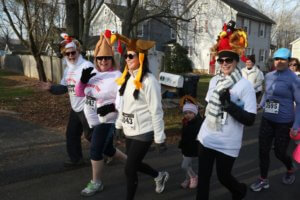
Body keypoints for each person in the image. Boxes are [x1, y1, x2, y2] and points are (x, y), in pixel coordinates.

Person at [197, 20, 257, 200]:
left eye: (228, 59)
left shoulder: (245, 86)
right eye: (220, 60)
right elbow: (208, 108)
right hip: (206, 138)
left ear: (236, 60)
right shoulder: (215, 81)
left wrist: (229, 106)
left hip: (227, 142)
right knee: (204, 179)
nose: (224, 63)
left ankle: (239, 190)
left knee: (224, 177)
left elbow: (250, 119)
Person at [113, 33, 169, 200]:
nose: (127, 59)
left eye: (131, 55)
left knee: (129, 169)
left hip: (144, 131)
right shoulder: (127, 79)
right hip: (130, 130)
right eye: (125, 56)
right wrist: (118, 125)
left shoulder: (149, 81)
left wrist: (160, 138)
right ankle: (159, 176)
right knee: (134, 165)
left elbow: (156, 111)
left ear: (141, 57)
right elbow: (124, 106)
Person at [74, 30, 127, 196]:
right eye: (100, 58)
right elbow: (80, 94)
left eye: (107, 58)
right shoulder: (93, 73)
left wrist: (111, 108)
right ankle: (132, 163)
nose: (103, 61)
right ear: (95, 59)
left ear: (112, 59)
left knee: (95, 151)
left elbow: (124, 101)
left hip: (107, 119)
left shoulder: (118, 76)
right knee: (109, 149)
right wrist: (82, 81)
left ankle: (96, 182)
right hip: (92, 119)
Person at [39, 33, 93, 167]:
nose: (70, 56)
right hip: (75, 107)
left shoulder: (87, 66)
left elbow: (98, 87)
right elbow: (64, 87)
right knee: (72, 134)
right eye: (67, 54)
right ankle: (76, 160)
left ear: (78, 51)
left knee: (90, 136)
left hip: (88, 107)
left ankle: (109, 153)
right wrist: (51, 88)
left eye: (72, 53)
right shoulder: (68, 69)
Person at [250, 48, 300, 191]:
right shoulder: (270, 75)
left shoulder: (294, 80)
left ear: (289, 61)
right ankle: (263, 179)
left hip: (284, 122)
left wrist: (296, 125)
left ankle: (290, 168)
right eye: (276, 59)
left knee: (279, 152)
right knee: (263, 150)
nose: (278, 61)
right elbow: (267, 93)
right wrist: (261, 104)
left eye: (282, 59)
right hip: (267, 118)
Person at [178, 95, 203, 189]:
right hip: (185, 146)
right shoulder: (186, 121)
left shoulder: (198, 123)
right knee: (188, 165)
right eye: (185, 113)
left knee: (184, 166)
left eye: (190, 113)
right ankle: (187, 179)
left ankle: (194, 177)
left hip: (192, 147)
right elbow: (184, 134)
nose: (187, 115)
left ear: (195, 113)